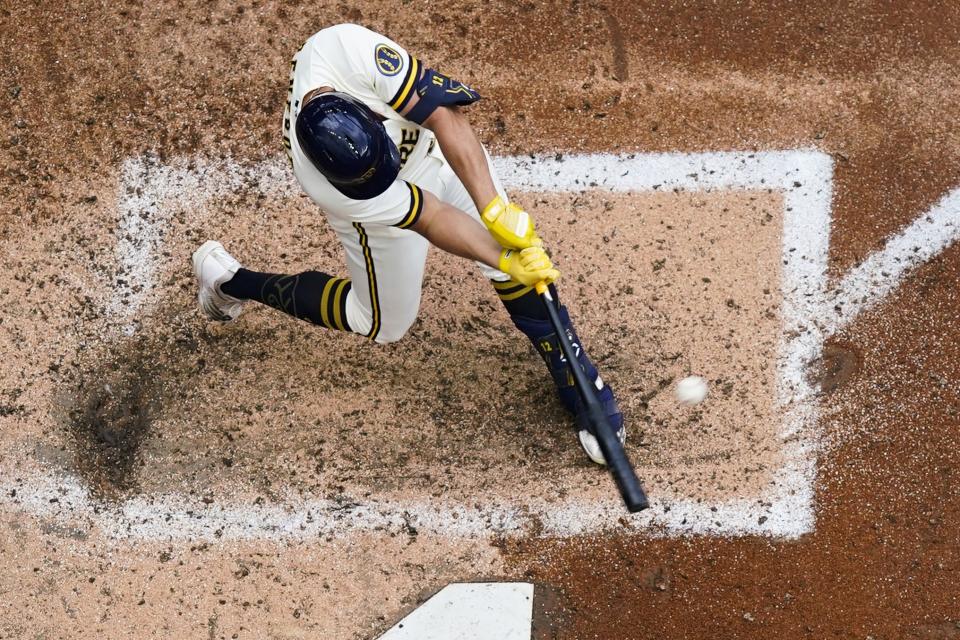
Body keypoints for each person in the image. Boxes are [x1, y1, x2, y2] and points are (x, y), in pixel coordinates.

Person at [191, 23, 625, 464]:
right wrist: (504, 256)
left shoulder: (348, 50)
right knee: (381, 322)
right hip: (394, 203)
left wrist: (495, 210)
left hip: (443, 149)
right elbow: (431, 215)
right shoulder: (333, 186)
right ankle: (231, 280)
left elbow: (444, 117)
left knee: (509, 247)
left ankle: (578, 378)